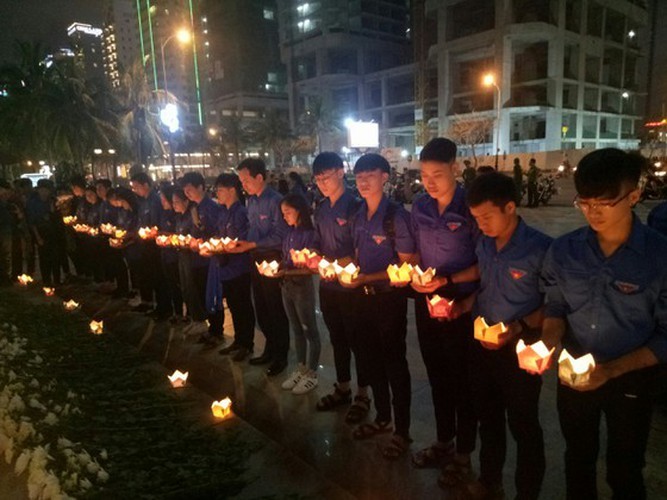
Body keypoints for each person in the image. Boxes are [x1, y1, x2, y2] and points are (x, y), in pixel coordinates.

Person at [540, 148, 667, 499]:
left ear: (634, 196)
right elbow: (557, 304)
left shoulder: (659, 257)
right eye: (585, 202)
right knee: (577, 457)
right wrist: (548, 340)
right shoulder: (565, 251)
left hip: (632, 375)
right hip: (575, 370)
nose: (593, 212)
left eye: (605, 203)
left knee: (625, 467)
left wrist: (610, 371)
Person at [466, 172, 552, 499]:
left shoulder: (541, 248)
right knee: (487, 418)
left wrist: (518, 327)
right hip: (483, 343)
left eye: (487, 216)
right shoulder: (484, 243)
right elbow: (483, 286)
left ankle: (527, 492)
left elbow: (554, 305)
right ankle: (490, 481)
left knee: (524, 424)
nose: (482, 224)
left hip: (521, 349)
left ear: (511, 207)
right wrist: (462, 304)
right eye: (476, 218)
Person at [408, 138, 479, 488]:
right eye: (424, 175)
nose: (430, 182)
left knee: (462, 379)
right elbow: (415, 256)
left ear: (456, 166)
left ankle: (464, 453)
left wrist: (448, 282)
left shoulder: (471, 207)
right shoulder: (420, 207)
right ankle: (443, 440)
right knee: (436, 374)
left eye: (437, 173)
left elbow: (486, 263)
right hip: (427, 299)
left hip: (462, 303)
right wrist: (416, 278)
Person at [341, 153, 417, 460]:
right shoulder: (358, 214)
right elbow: (354, 256)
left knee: (394, 362)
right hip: (363, 298)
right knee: (370, 360)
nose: (362, 182)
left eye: (369, 175)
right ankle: (383, 417)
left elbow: (408, 266)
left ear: (385, 177)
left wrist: (366, 278)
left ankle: (402, 431)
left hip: (389, 300)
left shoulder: (396, 216)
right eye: (358, 177)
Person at [311, 152, 370, 422]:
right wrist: (312, 257)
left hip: (351, 287)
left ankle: (363, 394)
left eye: (327, 176)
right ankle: (343, 386)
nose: (323, 183)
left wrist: (339, 263)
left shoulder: (357, 207)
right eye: (318, 178)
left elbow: (362, 251)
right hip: (328, 286)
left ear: (340, 172)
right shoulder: (322, 209)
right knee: (337, 338)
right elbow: (318, 244)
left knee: (359, 339)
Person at [228, 158, 290, 376]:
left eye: (246, 180)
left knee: (275, 308)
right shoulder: (251, 200)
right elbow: (252, 229)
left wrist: (252, 244)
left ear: (259, 177)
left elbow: (281, 235)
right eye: (241, 181)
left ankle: (281, 356)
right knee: (261, 307)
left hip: (271, 258)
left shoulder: (276, 201)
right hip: (254, 256)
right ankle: (269, 349)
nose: (243, 185)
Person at [268, 193, 322, 394]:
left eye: (288, 212)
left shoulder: (310, 234)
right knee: (296, 329)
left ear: (299, 210)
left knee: (310, 330)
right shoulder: (290, 233)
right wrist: (277, 267)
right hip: (286, 286)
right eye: (283, 213)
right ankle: (301, 368)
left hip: (301, 287)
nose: (285, 217)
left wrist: (286, 271)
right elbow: (286, 258)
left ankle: (312, 373)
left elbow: (311, 267)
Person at [211, 174, 256, 362]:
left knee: (243, 306)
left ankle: (247, 344)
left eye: (220, 190)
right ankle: (238, 340)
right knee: (234, 307)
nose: (217, 194)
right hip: (225, 267)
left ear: (232, 190)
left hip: (240, 268)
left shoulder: (242, 213)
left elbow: (243, 239)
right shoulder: (223, 212)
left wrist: (226, 246)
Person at [181, 172, 223, 343]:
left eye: (190, 189)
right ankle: (210, 328)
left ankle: (216, 330)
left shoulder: (212, 207)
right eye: (185, 190)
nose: (187, 193)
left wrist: (201, 234)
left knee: (212, 294)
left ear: (201, 187)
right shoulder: (194, 208)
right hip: (197, 258)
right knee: (202, 293)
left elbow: (217, 233)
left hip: (209, 261)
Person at [130, 172, 169, 316]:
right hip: (145, 244)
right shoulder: (143, 201)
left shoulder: (155, 200)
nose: (135, 190)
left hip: (154, 246)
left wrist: (151, 232)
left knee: (159, 277)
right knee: (150, 276)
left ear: (146, 185)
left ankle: (164, 308)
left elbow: (158, 224)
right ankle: (155, 305)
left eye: (137, 187)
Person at [0, 180, 16, 285]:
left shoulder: (6, 203)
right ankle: (4, 277)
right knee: (5, 255)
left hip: (6, 230)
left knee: (6, 255)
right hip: (3, 231)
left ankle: (5, 276)